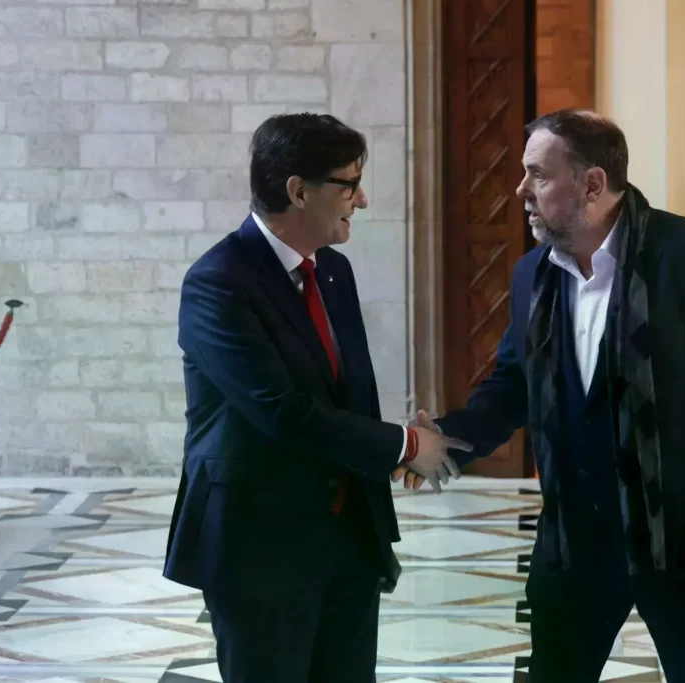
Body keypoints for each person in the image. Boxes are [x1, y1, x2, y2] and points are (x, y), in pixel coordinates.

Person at [397, 109, 685, 682]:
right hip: (573, 543)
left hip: (683, 542)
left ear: (593, 184)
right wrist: (442, 441)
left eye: (538, 176)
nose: (520, 189)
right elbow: (512, 387)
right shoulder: (533, 274)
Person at [162, 112, 470, 683]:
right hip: (260, 548)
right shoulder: (218, 283)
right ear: (299, 191)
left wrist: (401, 441)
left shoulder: (334, 271)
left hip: (348, 536)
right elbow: (283, 413)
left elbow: (343, 399)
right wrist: (404, 445)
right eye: (349, 183)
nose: (362, 198)